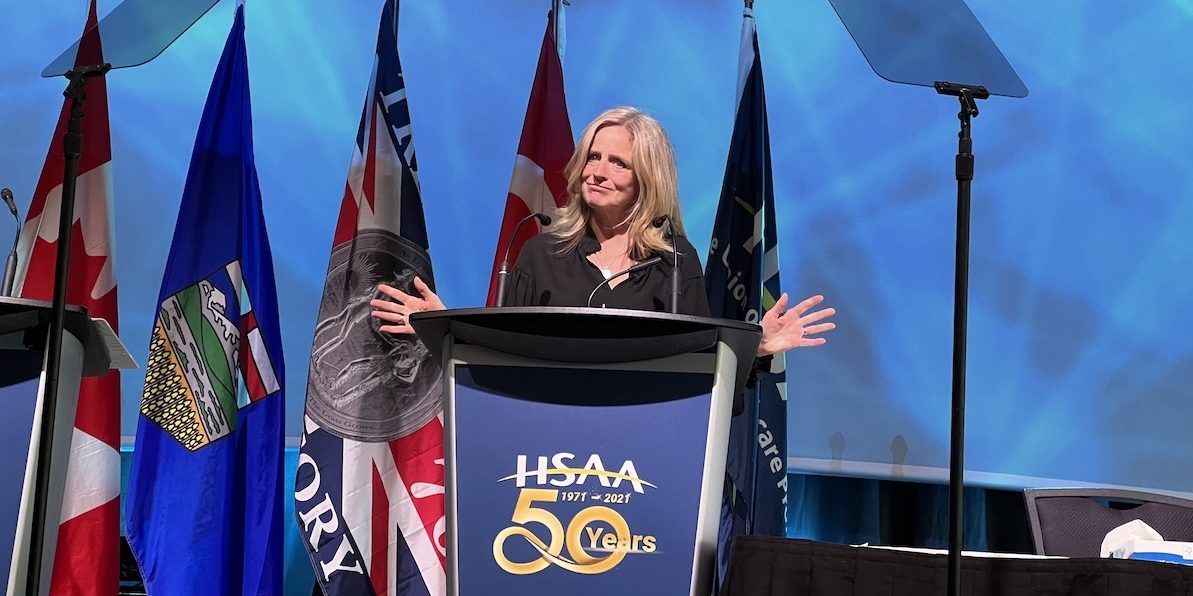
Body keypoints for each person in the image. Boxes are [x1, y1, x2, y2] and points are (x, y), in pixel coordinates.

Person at [370, 106, 835, 356]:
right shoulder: (539, 251)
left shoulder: (674, 263)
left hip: (637, 458)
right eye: (593, 157)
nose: (597, 171)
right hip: (540, 447)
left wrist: (757, 348)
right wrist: (442, 326)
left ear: (647, 179)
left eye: (617, 163)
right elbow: (502, 354)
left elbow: (701, 362)